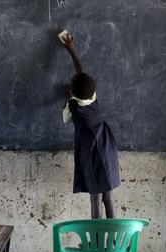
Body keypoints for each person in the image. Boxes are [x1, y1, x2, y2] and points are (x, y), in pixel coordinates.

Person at [60, 32, 120, 219]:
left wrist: (68, 98)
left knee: (95, 198)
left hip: (89, 150)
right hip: (106, 145)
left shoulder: (73, 107)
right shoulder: (93, 97)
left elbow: (65, 120)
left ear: (74, 91)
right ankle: (114, 242)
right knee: (108, 196)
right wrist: (71, 49)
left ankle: (96, 241)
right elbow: (81, 72)